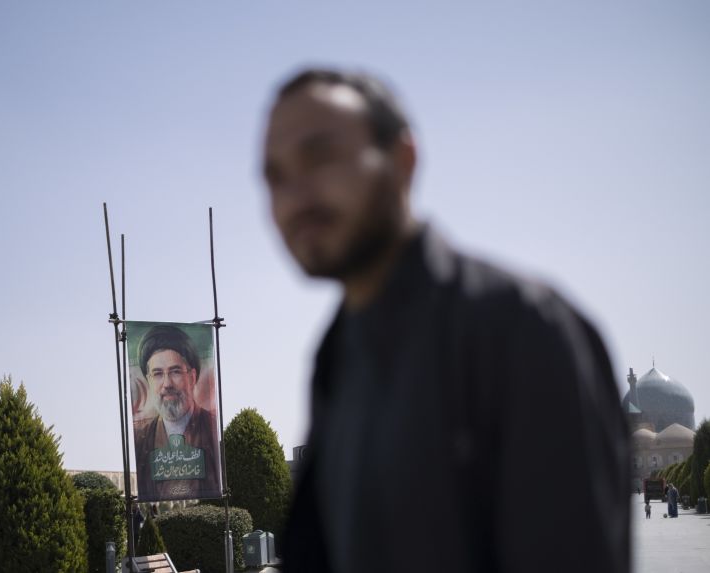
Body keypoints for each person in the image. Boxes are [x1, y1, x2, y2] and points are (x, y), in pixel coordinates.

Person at [262, 68, 630, 572]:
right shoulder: (337, 358)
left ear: (402, 160)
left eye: (319, 156)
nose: (294, 196)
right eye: (275, 176)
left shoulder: (520, 331)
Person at [132, 324, 221, 501]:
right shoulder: (142, 439)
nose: (167, 384)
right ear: (148, 381)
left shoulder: (211, 430)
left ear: (192, 376)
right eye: (157, 374)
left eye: (175, 371)